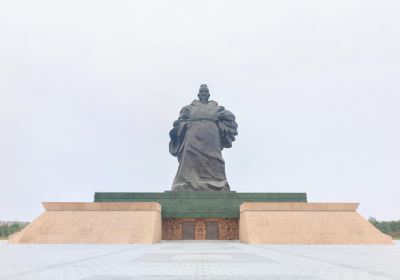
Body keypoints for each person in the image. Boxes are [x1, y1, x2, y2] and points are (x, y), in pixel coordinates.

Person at [169, 84, 238, 191]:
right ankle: (187, 182)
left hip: (211, 137)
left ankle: (218, 183)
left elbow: (230, 117)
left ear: (208, 94)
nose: (204, 94)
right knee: (190, 159)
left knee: (215, 160)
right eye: (202, 92)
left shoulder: (216, 108)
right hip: (193, 136)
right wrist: (184, 125)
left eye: (206, 92)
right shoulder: (189, 108)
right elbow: (179, 122)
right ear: (199, 94)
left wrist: (221, 124)